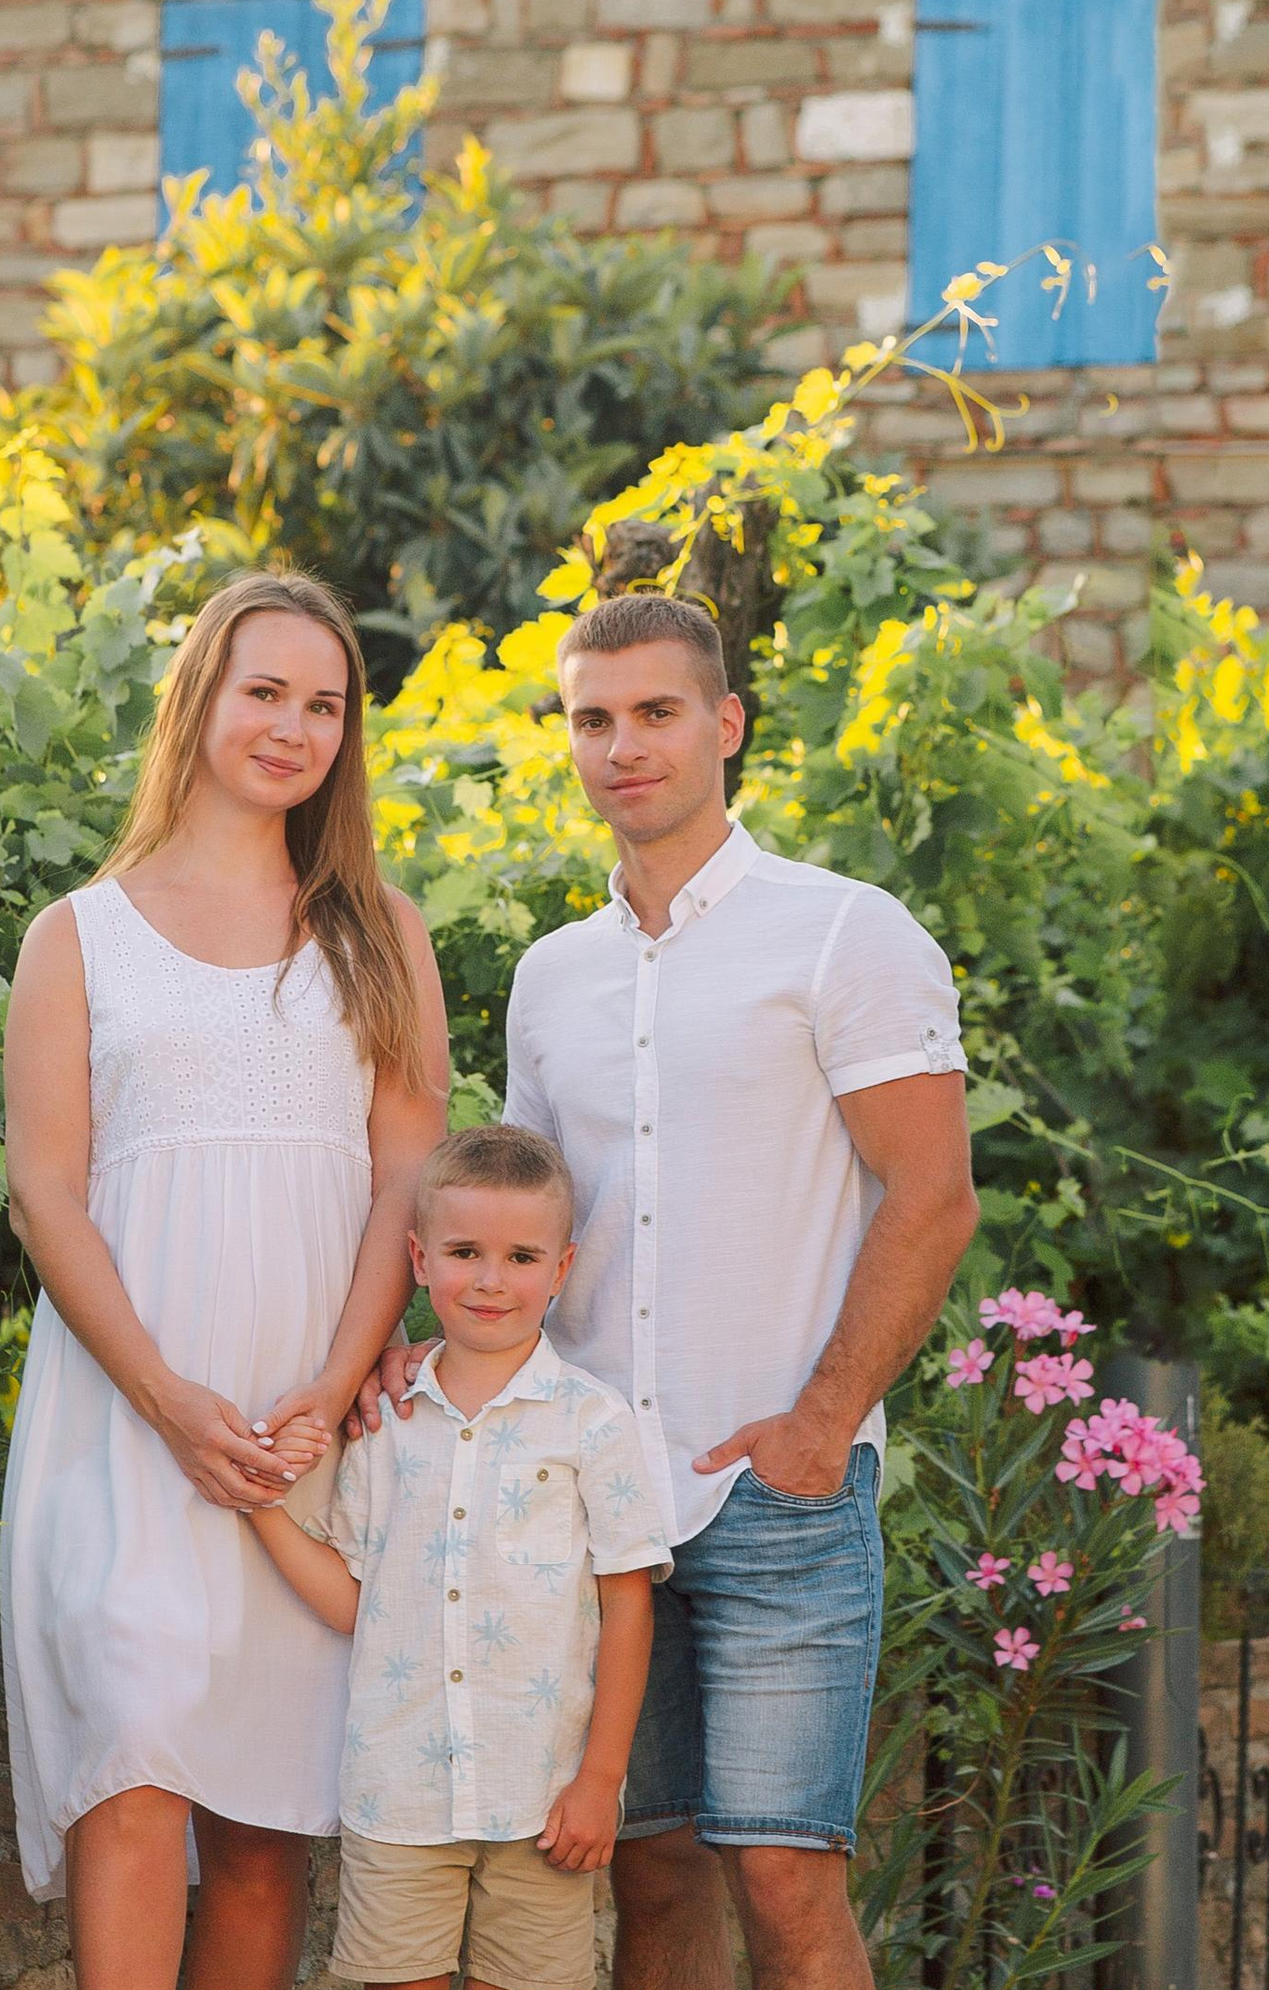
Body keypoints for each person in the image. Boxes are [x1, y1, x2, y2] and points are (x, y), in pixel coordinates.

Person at [369, 590, 978, 1990]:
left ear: (726, 725)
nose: (623, 745)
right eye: (594, 719)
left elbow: (934, 1198)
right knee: (644, 1876)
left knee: (785, 1882)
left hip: (779, 1497)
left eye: (655, 713)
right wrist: (426, 1349)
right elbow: (522, 1224)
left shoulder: (843, 934)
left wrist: (821, 1424)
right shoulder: (551, 977)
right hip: (590, 1508)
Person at [0, 569, 450, 1990]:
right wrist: (170, 1401)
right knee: (132, 1765)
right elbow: (44, 1193)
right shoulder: (79, 935)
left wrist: (325, 1390)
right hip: (128, 1427)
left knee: (265, 1828)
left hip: (304, 1433)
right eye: (266, 692)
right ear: (199, 697)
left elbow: (407, 1183)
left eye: (325, 705)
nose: (294, 727)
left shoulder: (381, 929)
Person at [250, 1123, 671, 1990]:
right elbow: (357, 1603)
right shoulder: (384, 1422)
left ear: (561, 1270)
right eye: (464, 1251)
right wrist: (261, 1513)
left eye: (521, 1257)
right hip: (400, 1793)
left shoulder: (594, 1423)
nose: (489, 1280)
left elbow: (629, 1607)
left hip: (544, 1797)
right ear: (419, 1257)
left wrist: (600, 1781)